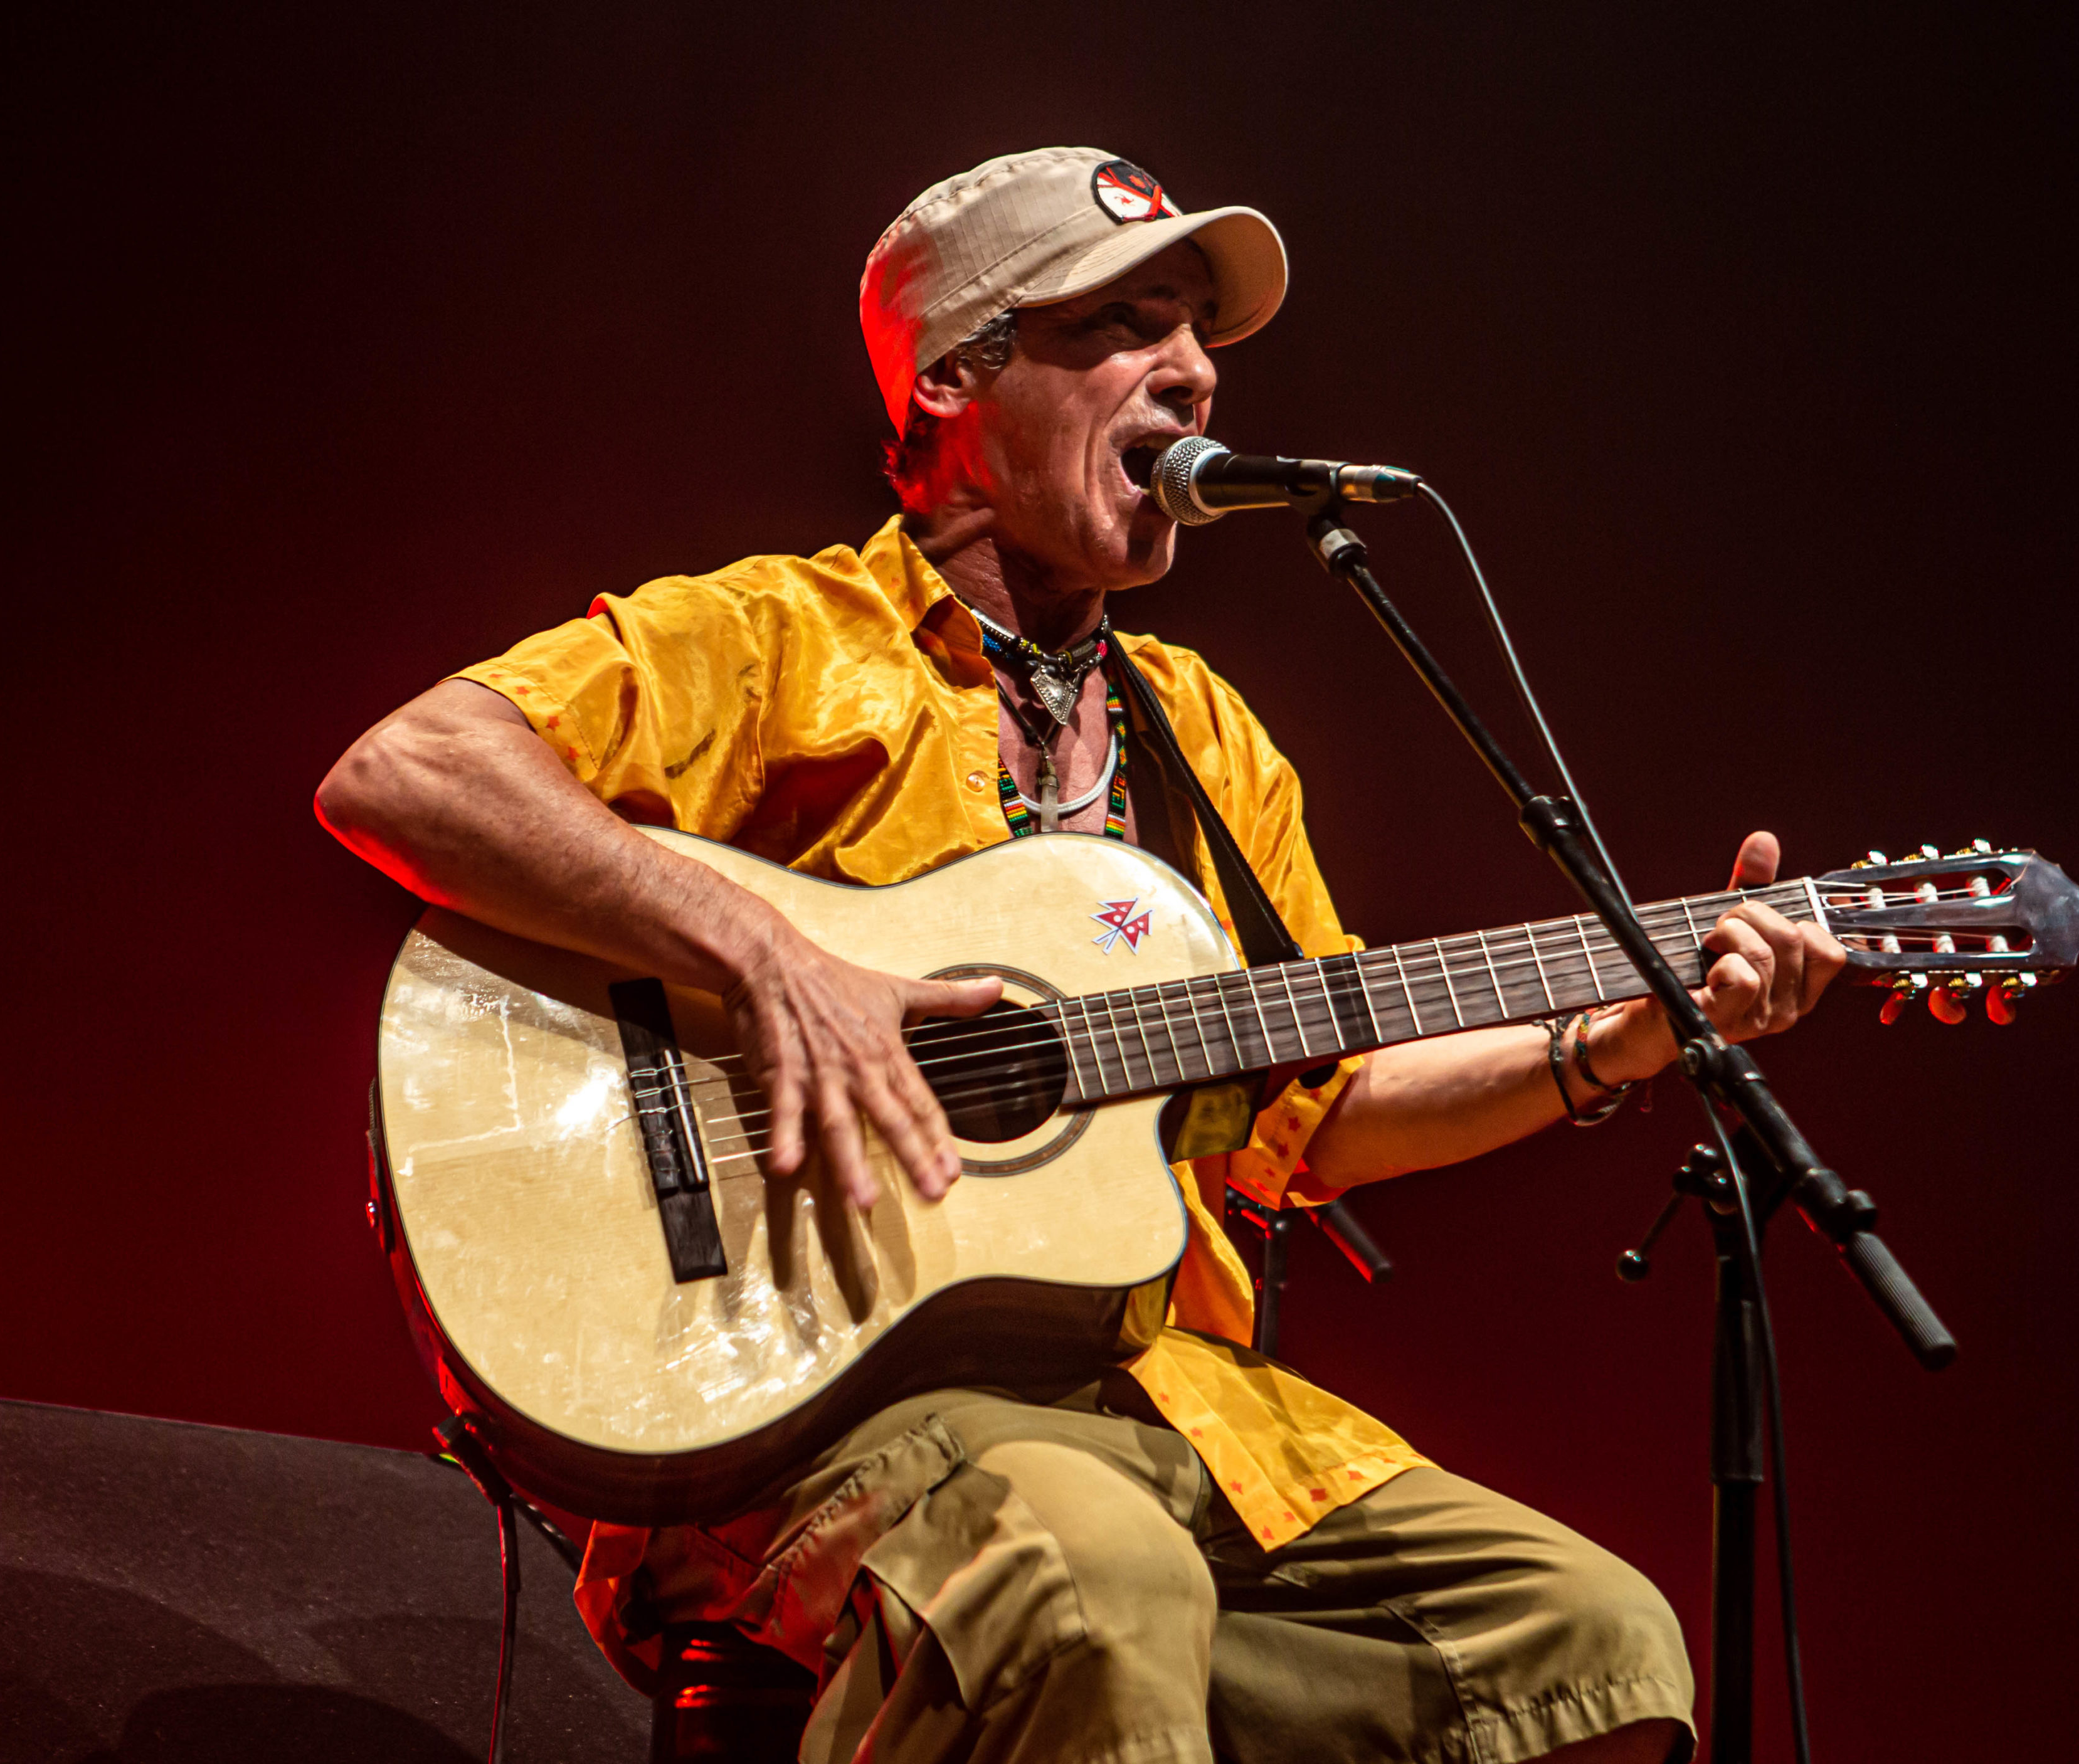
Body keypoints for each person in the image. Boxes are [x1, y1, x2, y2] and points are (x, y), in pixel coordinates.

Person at [319, 146, 1845, 1764]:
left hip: (1165, 1396)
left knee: (1593, 1647)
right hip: (806, 1398)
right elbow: (407, 771)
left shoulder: (1204, 739)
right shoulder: (782, 642)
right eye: (1127, 323)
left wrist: (1618, 1041)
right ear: (959, 378)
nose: (1193, 368)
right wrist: (781, 962)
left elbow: (1312, 1113)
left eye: (1198, 330)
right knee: (1097, 1582)